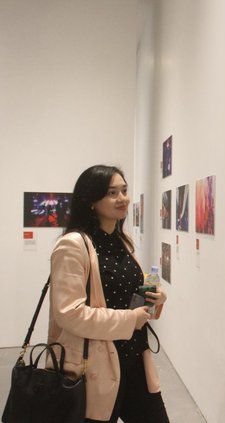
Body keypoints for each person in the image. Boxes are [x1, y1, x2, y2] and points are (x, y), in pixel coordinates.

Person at [48, 165, 170, 422]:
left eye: (124, 190)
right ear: (91, 201)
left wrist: (154, 301)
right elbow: (69, 314)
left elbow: (126, 297)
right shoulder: (73, 245)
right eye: (112, 192)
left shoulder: (123, 240)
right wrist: (130, 320)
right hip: (94, 365)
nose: (122, 198)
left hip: (135, 358)